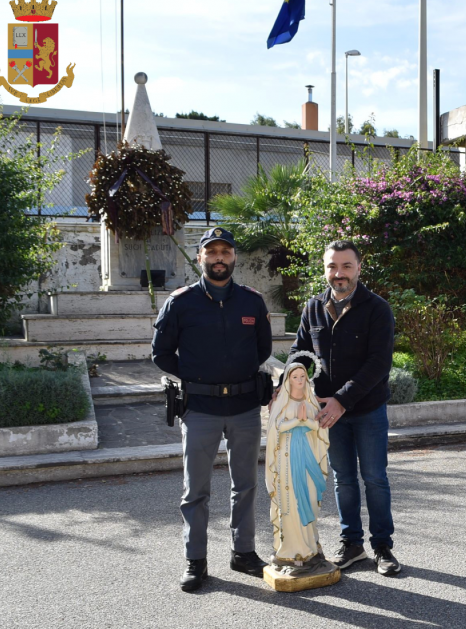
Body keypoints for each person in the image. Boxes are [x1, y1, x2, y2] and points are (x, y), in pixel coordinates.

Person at [152, 227, 274, 592]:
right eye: (212, 252)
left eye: (225, 251)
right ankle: (195, 560)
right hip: (200, 408)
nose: (219, 257)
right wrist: (195, 377)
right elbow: (160, 353)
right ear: (200, 257)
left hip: (244, 407)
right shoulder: (180, 301)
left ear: (234, 257)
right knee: (196, 490)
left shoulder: (252, 301)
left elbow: (263, 350)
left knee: (246, 485)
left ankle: (244, 553)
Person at [287, 240, 399, 575]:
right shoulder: (313, 307)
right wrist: (290, 381)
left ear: (359, 268)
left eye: (346, 266)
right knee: (343, 480)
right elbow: (300, 351)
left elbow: (379, 363)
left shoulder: (377, 309)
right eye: (332, 267)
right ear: (325, 269)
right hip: (328, 414)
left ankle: (383, 547)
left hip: (366, 411)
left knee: (375, 478)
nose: (339, 274)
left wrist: (342, 400)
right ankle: (352, 545)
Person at [265, 357, 333, 577]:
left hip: (307, 458)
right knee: (290, 503)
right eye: (295, 377)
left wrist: (308, 423)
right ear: (288, 380)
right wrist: (297, 422)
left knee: (310, 498)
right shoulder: (281, 402)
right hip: (286, 461)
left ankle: (310, 548)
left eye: (303, 376)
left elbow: (320, 428)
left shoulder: (311, 401)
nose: (300, 380)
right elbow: (275, 428)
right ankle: (290, 551)